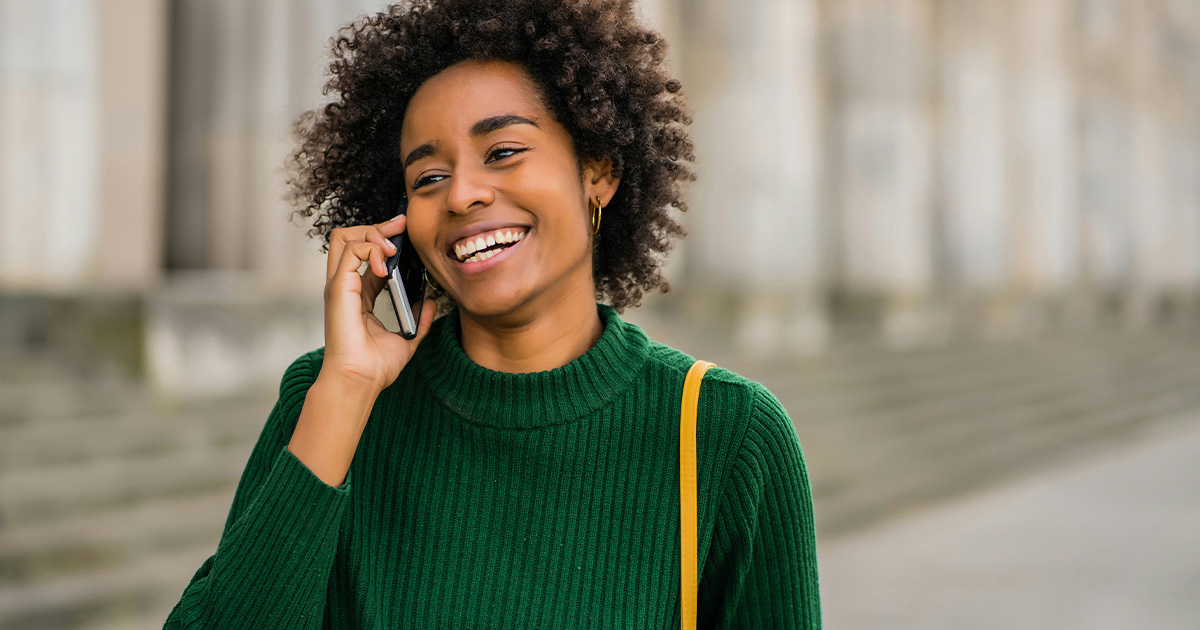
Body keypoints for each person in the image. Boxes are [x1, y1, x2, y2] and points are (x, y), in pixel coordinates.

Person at [164, 0, 820, 627]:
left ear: (598, 169)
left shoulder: (730, 436)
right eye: (426, 178)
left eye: (503, 151)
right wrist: (345, 394)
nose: (463, 194)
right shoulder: (330, 402)